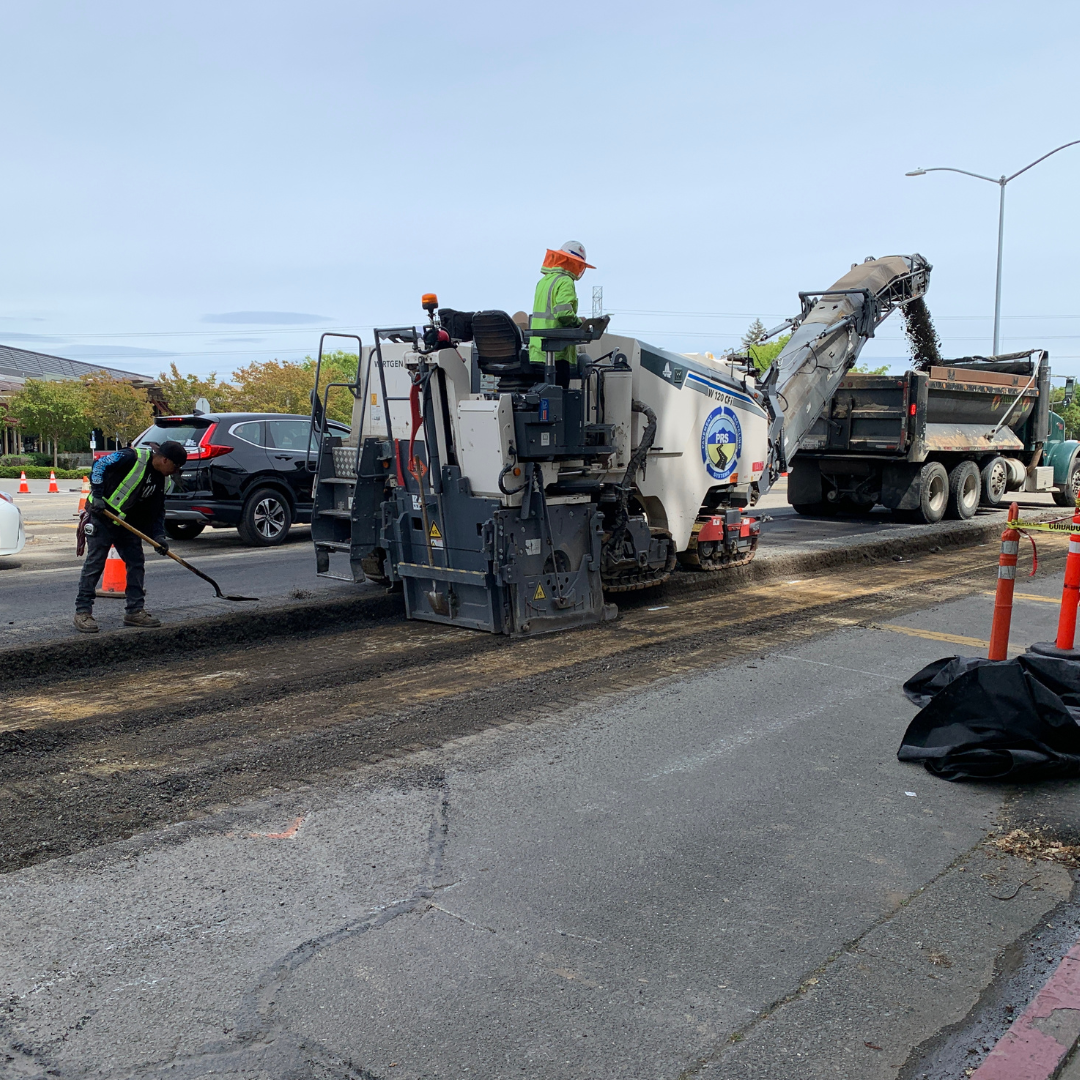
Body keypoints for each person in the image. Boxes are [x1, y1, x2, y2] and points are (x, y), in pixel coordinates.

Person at [73, 441, 188, 633]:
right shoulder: (132, 457)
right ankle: (83, 611)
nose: (175, 472)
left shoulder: (162, 480)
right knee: (95, 563)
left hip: (126, 524)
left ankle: (134, 611)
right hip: (102, 516)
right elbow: (99, 465)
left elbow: (157, 511)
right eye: (175, 467)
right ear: (165, 459)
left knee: (136, 562)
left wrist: (159, 536)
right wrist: (99, 495)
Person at [528, 240, 595, 388]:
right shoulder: (565, 281)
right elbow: (564, 313)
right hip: (556, 353)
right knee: (560, 398)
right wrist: (580, 324)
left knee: (543, 397)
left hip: (538, 351)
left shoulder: (544, 281)